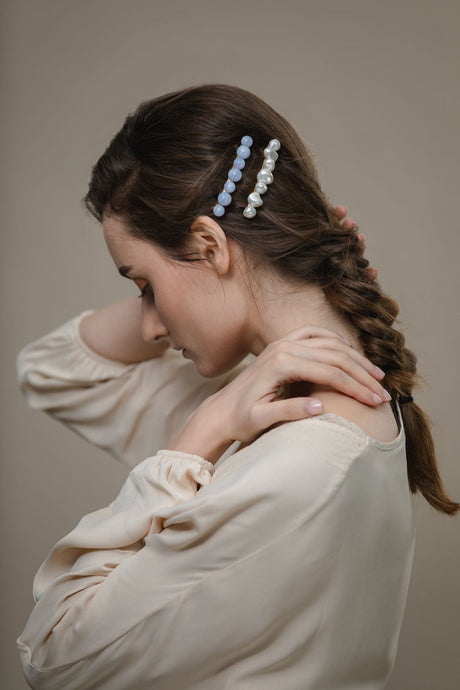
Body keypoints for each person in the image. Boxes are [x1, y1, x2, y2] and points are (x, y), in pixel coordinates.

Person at [16, 83, 458, 690]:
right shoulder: (279, 402)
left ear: (208, 244)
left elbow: (53, 656)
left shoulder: (290, 461)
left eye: (143, 284)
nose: (148, 325)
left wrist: (200, 436)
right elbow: (50, 370)